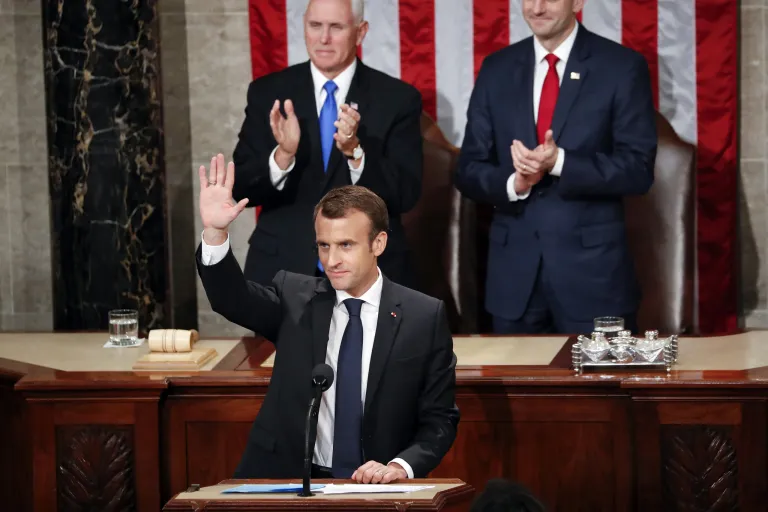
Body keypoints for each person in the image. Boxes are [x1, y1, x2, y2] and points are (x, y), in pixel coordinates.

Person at [195, 154, 458, 482]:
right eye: (324, 245)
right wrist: (215, 233)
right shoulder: (295, 297)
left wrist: (399, 467)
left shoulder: (423, 317)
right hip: (287, 479)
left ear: (378, 243)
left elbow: (440, 420)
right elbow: (231, 299)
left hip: (375, 485)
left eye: (346, 245)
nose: (331, 260)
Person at [456, 0, 657, 334]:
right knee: (515, 386)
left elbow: (637, 169)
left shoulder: (621, 66)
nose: (536, 8)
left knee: (596, 389)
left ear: (577, 2)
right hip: (513, 281)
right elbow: (469, 170)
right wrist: (514, 183)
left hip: (593, 282)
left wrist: (560, 162)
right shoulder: (497, 68)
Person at [231, 0, 423, 289]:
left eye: (336, 27)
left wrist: (356, 152)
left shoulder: (397, 98)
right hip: (282, 271)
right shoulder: (268, 92)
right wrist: (282, 156)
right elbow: (241, 187)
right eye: (315, 26)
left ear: (360, 32)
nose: (323, 38)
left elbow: (405, 194)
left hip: (368, 275)